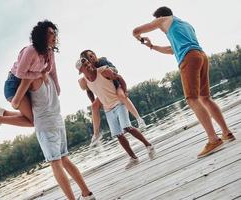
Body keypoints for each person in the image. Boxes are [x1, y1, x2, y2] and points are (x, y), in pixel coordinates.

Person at [132, 6, 235, 158]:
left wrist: (140, 39)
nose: (158, 26)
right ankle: (226, 133)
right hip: (200, 55)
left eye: (157, 21)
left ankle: (213, 139)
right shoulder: (185, 25)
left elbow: (135, 31)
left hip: (189, 59)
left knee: (192, 99)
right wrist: (152, 46)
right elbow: (172, 49)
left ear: (160, 17)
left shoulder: (163, 20)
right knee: (205, 98)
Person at [0, 20, 60, 136]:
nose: (54, 35)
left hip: (27, 87)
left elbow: (52, 70)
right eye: (50, 33)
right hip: (14, 86)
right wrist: (40, 74)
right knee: (34, 121)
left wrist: (57, 87)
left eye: (54, 33)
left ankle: (4, 113)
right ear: (42, 35)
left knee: (36, 118)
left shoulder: (49, 52)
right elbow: (20, 73)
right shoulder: (31, 51)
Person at [76, 58, 155, 169]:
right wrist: (93, 102)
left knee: (127, 127)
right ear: (81, 70)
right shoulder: (83, 82)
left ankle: (149, 146)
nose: (88, 65)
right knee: (118, 134)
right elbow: (89, 91)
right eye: (85, 65)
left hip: (119, 102)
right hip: (108, 109)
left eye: (88, 63)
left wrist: (125, 91)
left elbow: (119, 78)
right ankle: (134, 158)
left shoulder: (103, 71)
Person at [29, 72, 95, 200]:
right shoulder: (49, 75)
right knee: (64, 159)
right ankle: (87, 194)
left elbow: (17, 102)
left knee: (55, 163)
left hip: (45, 125)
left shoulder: (30, 78)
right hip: (58, 121)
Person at [79, 50, 146, 147]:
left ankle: (139, 119)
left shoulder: (102, 62)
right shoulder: (88, 72)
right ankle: (96, 134)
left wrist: (106, 70)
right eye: (90, 56)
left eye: (92, 54)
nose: (93, 56)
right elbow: (89, 90)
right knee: (94, 107)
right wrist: (95, 102)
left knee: (121, 96)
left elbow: (116, 72)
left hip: (115, 85)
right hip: (105, 92)